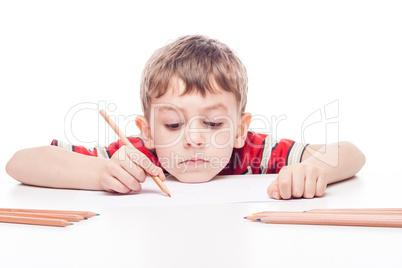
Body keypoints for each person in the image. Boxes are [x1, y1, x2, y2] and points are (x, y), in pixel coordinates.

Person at [5, 35, 366, 200]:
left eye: (213, 124)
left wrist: (312, 170)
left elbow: (350, 153)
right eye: (173, 125)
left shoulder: (250, 151)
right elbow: (19, 163)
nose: (194, 138)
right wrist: (99, 173)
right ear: (146, 132)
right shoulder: (135, 158)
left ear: (240, 129)